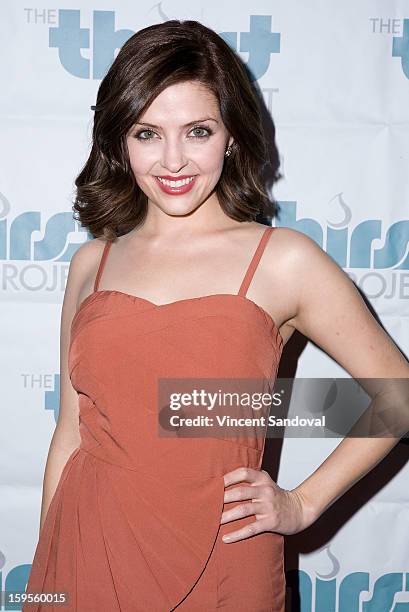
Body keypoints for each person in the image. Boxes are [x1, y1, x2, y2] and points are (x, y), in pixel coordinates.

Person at [23, 19, 409, 612]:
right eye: (147, 133)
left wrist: (301, 504)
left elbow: (398, 396)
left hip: (224, 558)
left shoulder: (282, 260)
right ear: (118, 142)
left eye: (197, 131)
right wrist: (47, 573)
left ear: (231, 136)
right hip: (86, 550)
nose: (172, 160)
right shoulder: (92, 263)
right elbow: (71, 431)